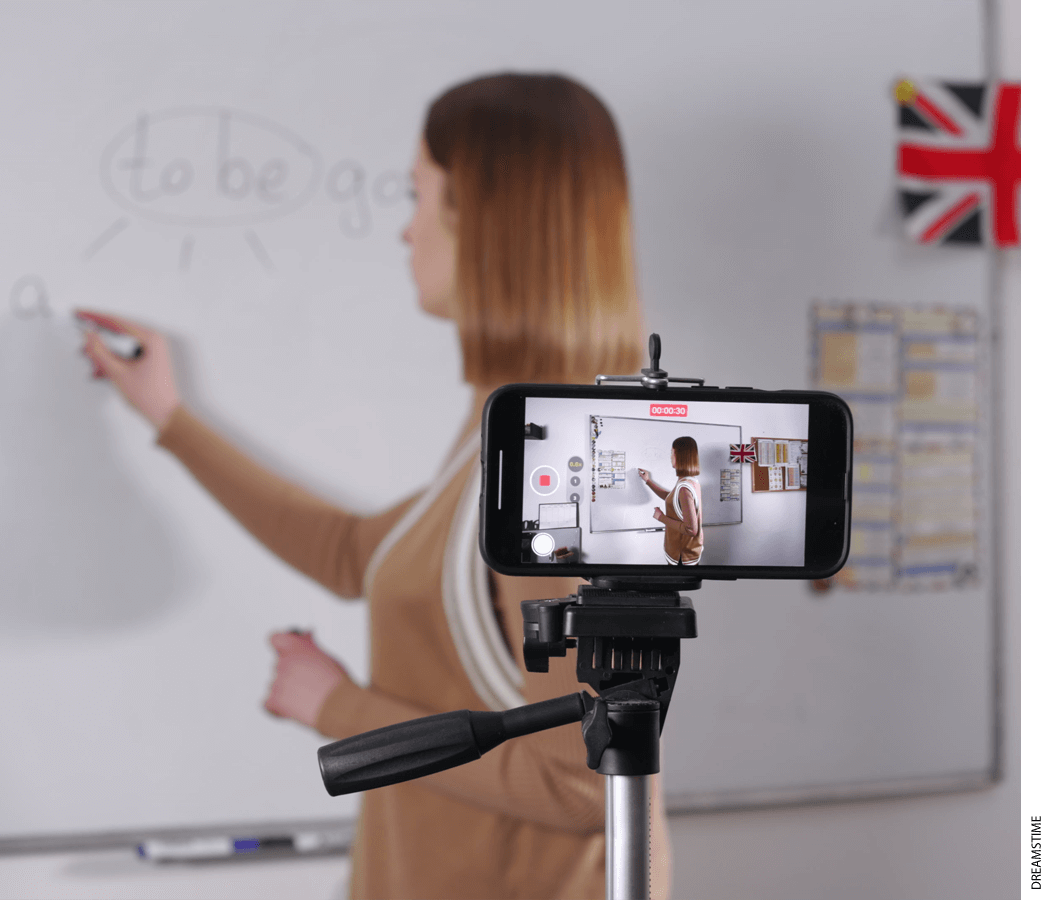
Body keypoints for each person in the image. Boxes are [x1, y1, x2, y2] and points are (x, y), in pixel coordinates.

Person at [80, 72, 671, 900]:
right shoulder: (501, 435)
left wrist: (339, 708)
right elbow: (362, 555)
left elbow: (584, 786)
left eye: (417, 197)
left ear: (484, 218)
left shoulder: (568, 461)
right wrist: (172, 419)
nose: (405, 231)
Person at [637, 437, 704, 565]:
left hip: (682, 557)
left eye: (672, 453)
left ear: (680, 456)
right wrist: (648, 481)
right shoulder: (690, 481)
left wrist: (661, 517)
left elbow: (691, 529)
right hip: (685, 553)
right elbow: (671, 498)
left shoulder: (684, 488)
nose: (670, 457)